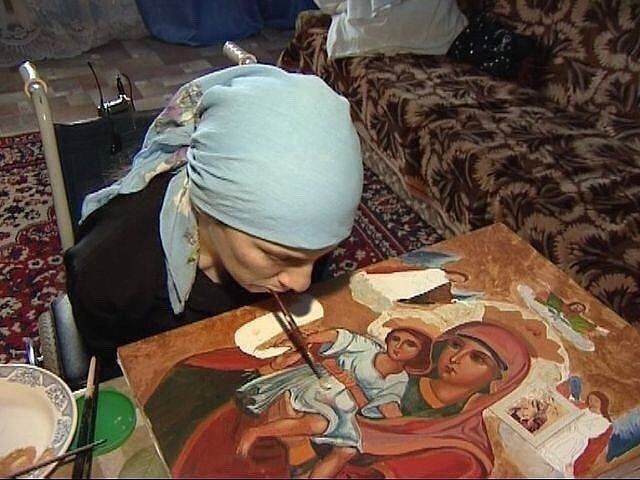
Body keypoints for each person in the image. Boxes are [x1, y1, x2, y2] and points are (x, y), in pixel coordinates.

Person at [64, 64, 363, 374]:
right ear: (213, 205)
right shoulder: (109, 274)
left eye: (321, 254)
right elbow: (113, 373)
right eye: (277, 256)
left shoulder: (297, 242)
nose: (302, 284)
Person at [235, 327, 432, 478]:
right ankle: (256, 432)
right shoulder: (369, 348)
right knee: (321, 423)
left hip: (348, 406)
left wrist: (403, 430)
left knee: (348, 449)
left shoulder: (400, 379)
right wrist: (308, 339)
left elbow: (375, 407)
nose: (398, 346)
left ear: (418, 354)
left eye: (410, 344)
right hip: (325, 384)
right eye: (396, 339)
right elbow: (340, 336)